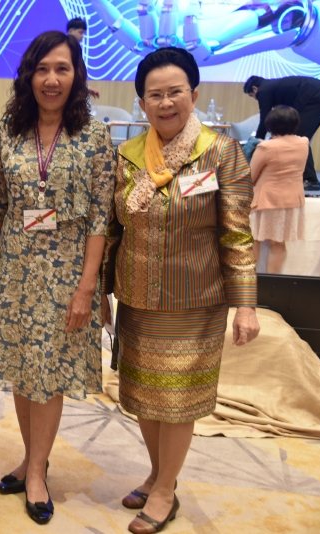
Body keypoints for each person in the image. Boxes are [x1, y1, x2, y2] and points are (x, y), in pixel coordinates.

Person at [102, 47, 260, 533]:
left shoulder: (221, 152)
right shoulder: (128, 155)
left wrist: (246, 305)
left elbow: (237, 233)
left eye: (175, 92)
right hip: (137, 297)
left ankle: (165, 491)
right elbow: (112, 229)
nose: (166, 102)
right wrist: (102, 292)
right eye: (155, 95)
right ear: (142, 102)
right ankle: (157, 474)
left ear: (193, 94)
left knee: (177, 400)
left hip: (194, 299)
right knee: (144, 397)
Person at [0, 31, 115, 525]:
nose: (51, 79)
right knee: (21, 368)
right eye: (42, 69)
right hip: (14, 267)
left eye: (62, 68)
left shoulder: (94, 135)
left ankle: (37, 471)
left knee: (50, 372)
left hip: (67, 272)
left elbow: (101, 216)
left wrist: (88, 287)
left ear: (76, 75)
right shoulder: (8, 131)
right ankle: (31, 458)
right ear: (28, 76)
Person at [244, 75, 320, 191]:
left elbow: (265, 118)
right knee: (298, 137)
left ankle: (311, 180)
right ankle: (304, 178)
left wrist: (258, 140)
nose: (256, 99)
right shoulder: (276, 87)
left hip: (318, 97)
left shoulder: (263, 90)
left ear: (254, 88)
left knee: (298, 138)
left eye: (252, 96)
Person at [249, 106, 308, 274]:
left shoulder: (266, 147)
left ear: (271, 125)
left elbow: (250, 176)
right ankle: (272, 283)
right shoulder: (303, 143)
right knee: (278, 244)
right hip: (292, 201)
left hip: (266, 201)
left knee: (253, 240)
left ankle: (248, 282)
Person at [66, 18, 100, 99]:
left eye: (83, 33)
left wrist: (86, 88)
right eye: (80, 32)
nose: (82, 36)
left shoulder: (77, 49)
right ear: (70, 31)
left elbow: (77, 75)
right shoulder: (63, 48)